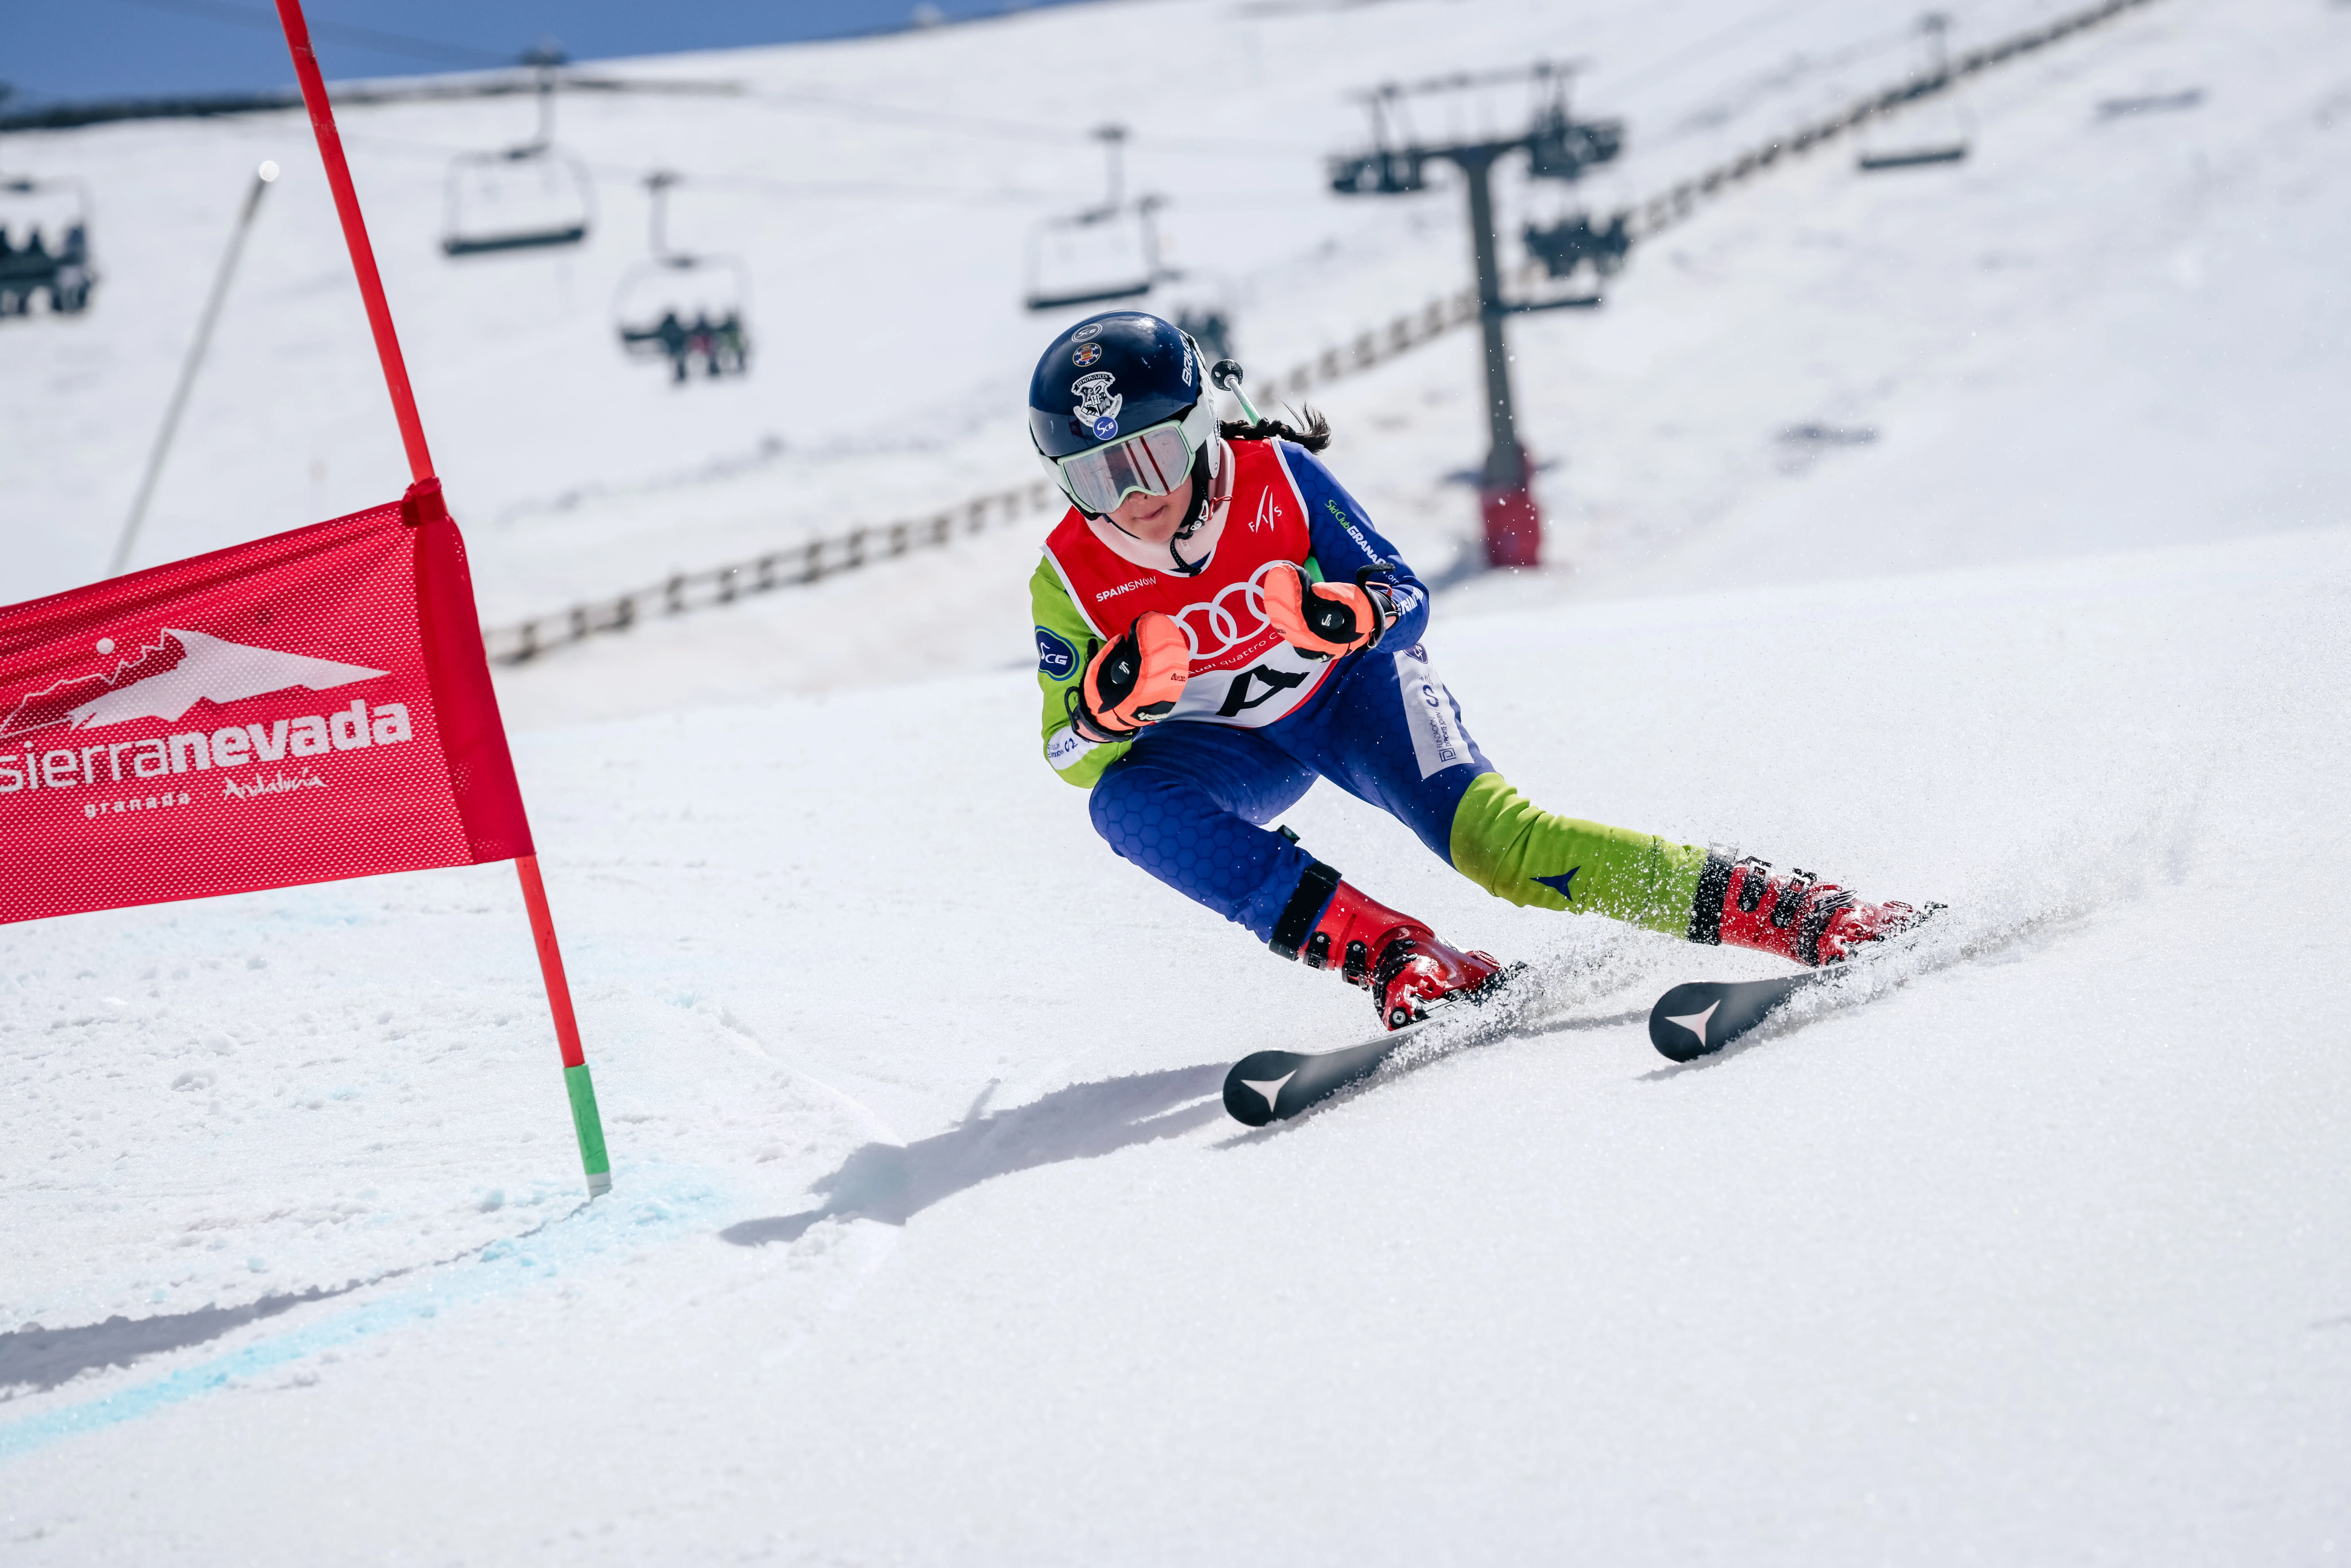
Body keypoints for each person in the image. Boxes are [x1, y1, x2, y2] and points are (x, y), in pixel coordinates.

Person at [1025, 311, 1924, 1031]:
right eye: (1096, 477)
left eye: (1150, 457)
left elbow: (1407, 597)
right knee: (1124, 806)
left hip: (1353, 698)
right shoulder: (1068, 577)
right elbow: (1069, 757)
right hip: (1234, 749)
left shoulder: (1280, 481)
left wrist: (1351, 615)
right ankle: (1395, 956)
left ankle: (1792, 910)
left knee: (1504, 851)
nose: (1133, 498)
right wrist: (1105, 715)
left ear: (1200, 431)